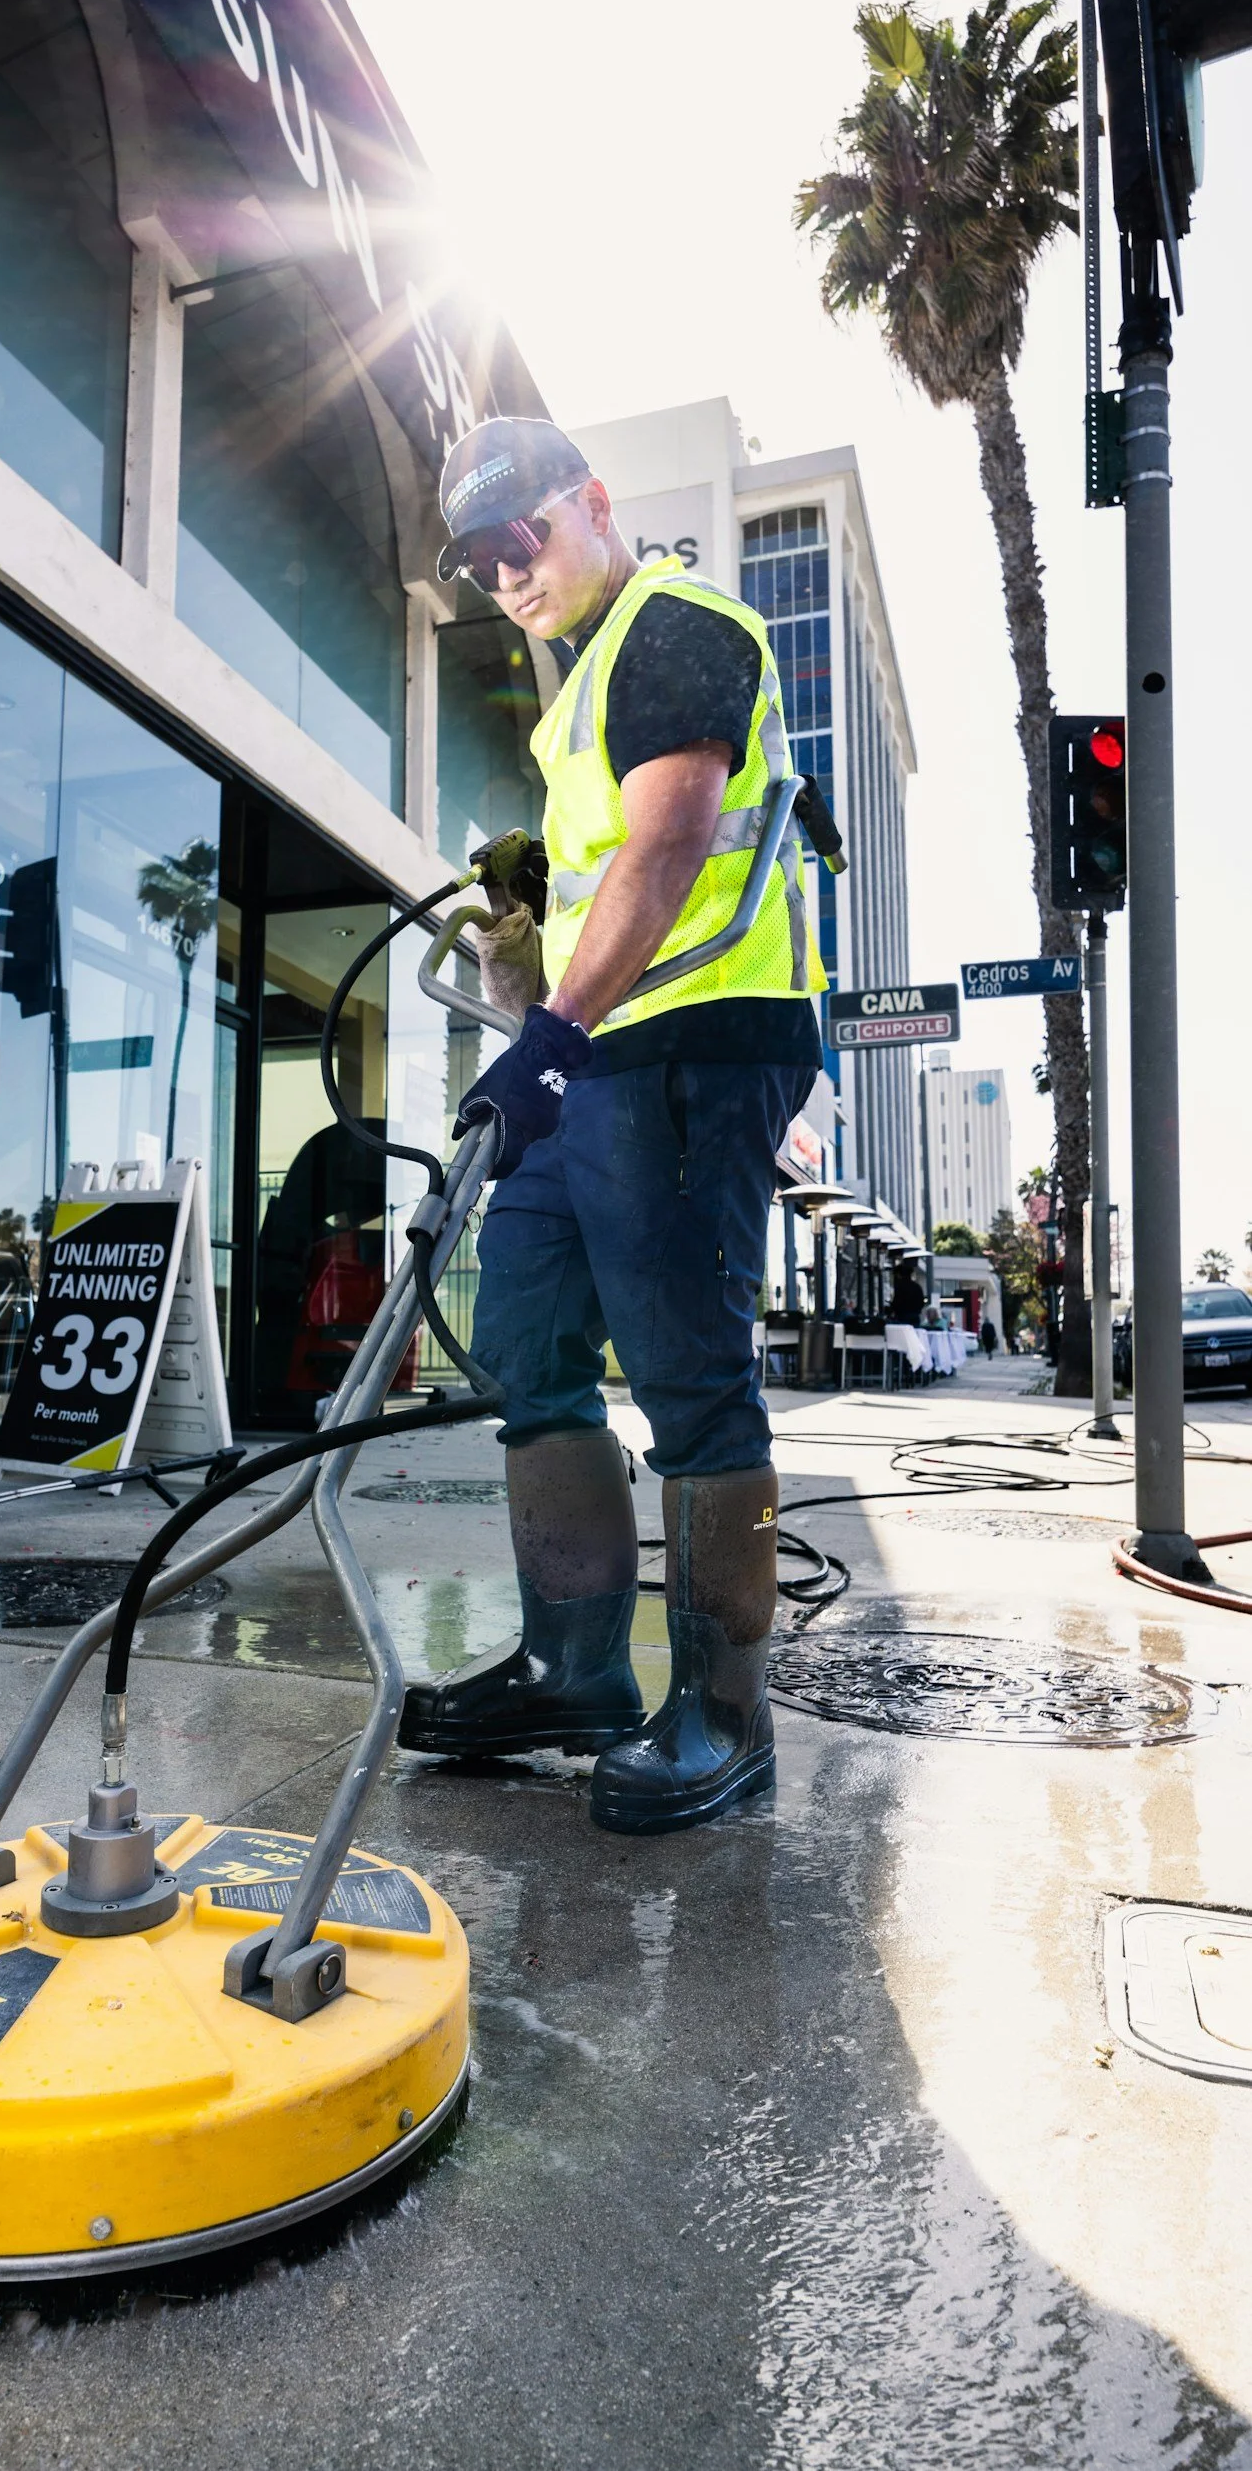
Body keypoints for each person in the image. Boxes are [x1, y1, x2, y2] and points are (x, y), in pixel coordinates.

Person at [398, 418, 824, 1834]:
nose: (502, 573)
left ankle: (721, 1713)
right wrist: (530, 957)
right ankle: (570, 1667)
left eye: (520, 538)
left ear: (588, 504)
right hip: (596, 1055)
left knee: (690, 1376)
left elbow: (666, 850)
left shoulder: (677, 623)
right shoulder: (571, 694)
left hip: (696, 1041)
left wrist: (547, 1044)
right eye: (476, 559)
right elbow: (596, 879)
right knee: (526, 1344)